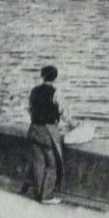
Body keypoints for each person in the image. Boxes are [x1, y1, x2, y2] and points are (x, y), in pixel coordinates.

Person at [25, 64, 64, 204]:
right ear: (55, 77)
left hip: (34, 129)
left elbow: (29, 109)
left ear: (42, 76)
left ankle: (36, 193)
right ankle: (46, 195)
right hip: (47, 131)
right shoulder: (56, 92)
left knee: (37, 163)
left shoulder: (34, 91)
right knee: (51, 163)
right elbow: (62, 112)